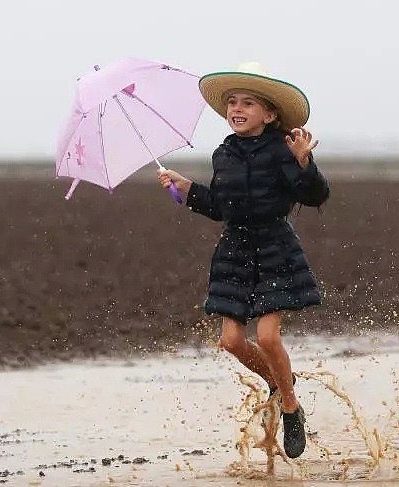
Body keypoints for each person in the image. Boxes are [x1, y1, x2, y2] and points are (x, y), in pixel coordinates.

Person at [157, 62, 329, 459]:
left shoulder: (284, 148)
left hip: (274, 248)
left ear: (269, 114)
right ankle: (277, 383)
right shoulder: (224, 154)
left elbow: (315, 196)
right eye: (232, 102)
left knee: (268, 337)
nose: (237, 108)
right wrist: (186, 189)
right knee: (231, 341)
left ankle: (289, 405)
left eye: (247, 103)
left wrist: (304, 163)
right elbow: (220, 206)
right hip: (234, 252)